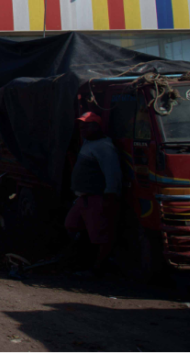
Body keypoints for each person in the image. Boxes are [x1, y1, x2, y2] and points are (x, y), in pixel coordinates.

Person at [64, 111, 122, 277]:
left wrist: (110, 195)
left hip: (97, 197)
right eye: (81, 126)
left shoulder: (104, 147)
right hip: (84, 198)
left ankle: (98, 268)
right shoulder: (88, 143)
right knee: (72, 224)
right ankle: (83, 261)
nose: (82, 129)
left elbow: (112, 174)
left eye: (87, 125)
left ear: (97, 126)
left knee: (100, 236)